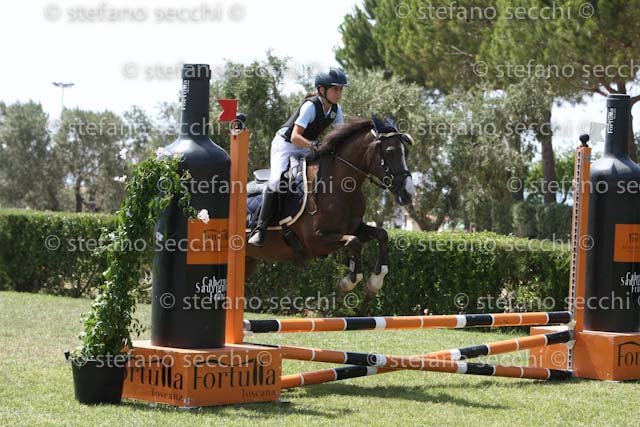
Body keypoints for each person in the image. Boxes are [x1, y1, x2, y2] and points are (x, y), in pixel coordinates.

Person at [248, 67, 348, 247]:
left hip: (306, 146)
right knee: (276, 181)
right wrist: (313, 145)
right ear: (322, 90)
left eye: (340, 89)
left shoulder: (335, 110)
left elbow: (340, 135)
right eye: (335, 89)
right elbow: (295, 137)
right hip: (286, 146)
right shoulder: (310, 106)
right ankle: (260, 229)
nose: (339, 93)